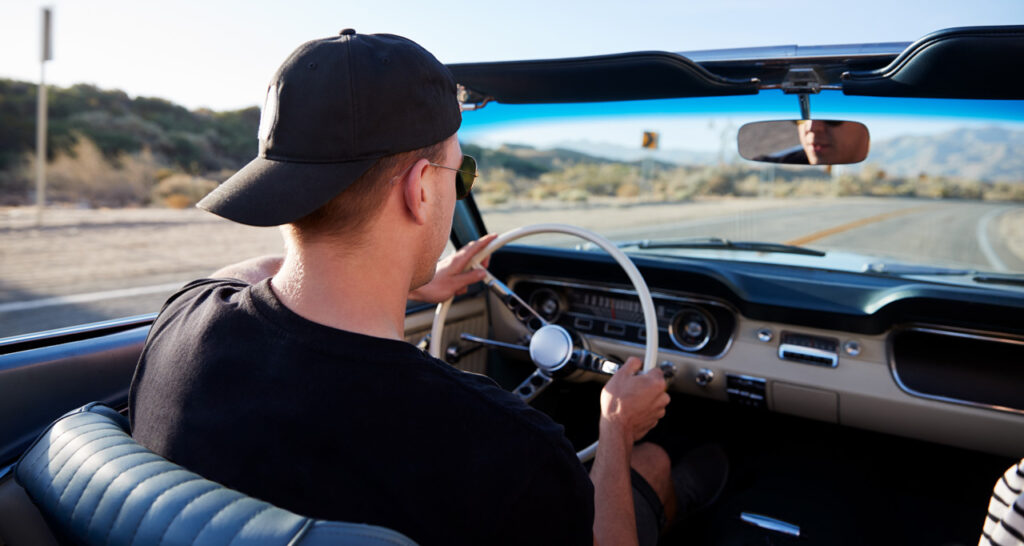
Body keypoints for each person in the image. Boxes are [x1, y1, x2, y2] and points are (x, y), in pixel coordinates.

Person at [130, 30, 722, 546]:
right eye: (460, 174)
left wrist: (413, 286)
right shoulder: (502, 445)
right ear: (420, 189)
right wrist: (615, 429)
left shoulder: (183, 319)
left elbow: (255, 273)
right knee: (657, 464)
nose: (458, 188)